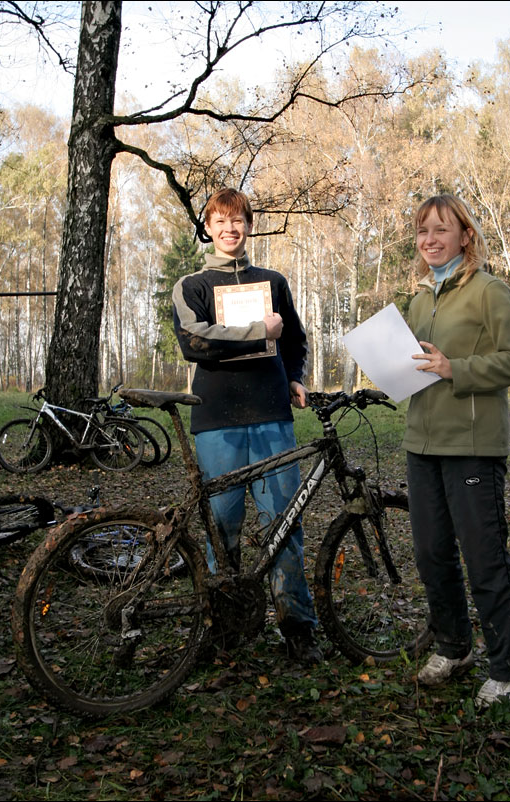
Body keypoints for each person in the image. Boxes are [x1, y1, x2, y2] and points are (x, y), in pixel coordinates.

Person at [172, 187, 322, 665]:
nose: (229, 229)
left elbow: (294, 337)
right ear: (208, 228)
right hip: (216, 421)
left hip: (272, 415)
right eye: (220, 222)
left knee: (283, 523)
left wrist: (295, 377)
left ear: (249, 225)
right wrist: (259, 330)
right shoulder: (191, 285)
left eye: (237, 221)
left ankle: (297, 627)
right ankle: (224, 625)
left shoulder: (272, 281)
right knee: (222, 527)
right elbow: (195, 342)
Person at [402, 194, 510, 708]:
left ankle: (509, 671)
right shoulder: (419, 299)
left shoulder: (488, 291)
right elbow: (416, 364)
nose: (430, 240)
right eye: (422, 232)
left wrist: (457, 368)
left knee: (484, 559)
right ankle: (454, 647)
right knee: (431, 554)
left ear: (465, 237)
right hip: (421, 444)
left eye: (441, 230)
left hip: (473, 447)